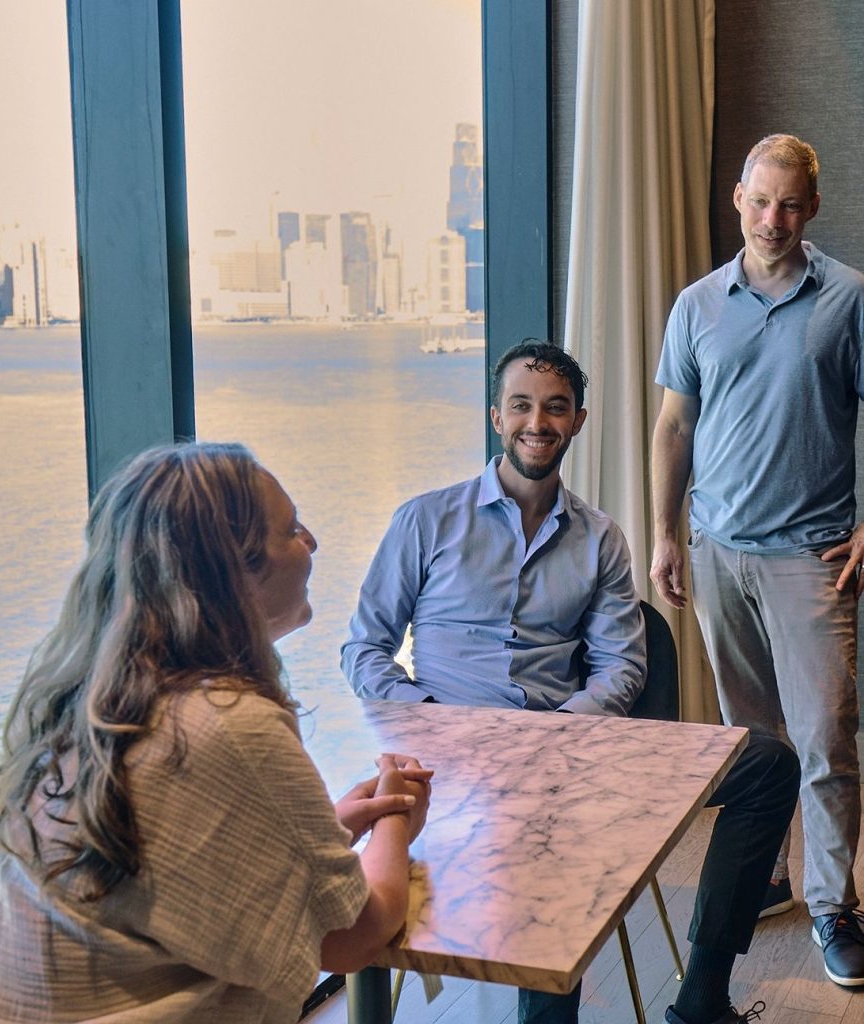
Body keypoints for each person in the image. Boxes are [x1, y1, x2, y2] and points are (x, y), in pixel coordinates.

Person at [343, 339, 800, 1024]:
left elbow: (621, 663)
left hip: (569, 751)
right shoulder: (424, 520)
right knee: (549, 881)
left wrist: (559, 734)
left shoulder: (599, 537)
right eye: (521, 406)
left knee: (766, 763)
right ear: (496, 418)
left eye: (555, 408)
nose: (538, 423)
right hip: (452, 759)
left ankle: (701, 999)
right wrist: (439, 720)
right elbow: (364, 651)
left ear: (577, 421)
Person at [0, 442, 432, 1024]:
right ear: (230, 574)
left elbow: (171, 862)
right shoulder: (225, 720)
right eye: (292, 529)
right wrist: (399, 820)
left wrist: (327, 828)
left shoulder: (80, 697)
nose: (312, 543)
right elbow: (353, 938)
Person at [650, 133, 864, 988]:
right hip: (717, 552)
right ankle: (774, 874)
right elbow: (674, 427)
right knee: (756, 743)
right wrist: (666, 532)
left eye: (788, 204)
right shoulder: (697, 304)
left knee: (824, 739)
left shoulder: (847, 298)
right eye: (758, 200)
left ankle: (831, 905)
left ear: (810, 208)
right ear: (737, 199)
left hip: (810, 559)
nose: (770, 218)